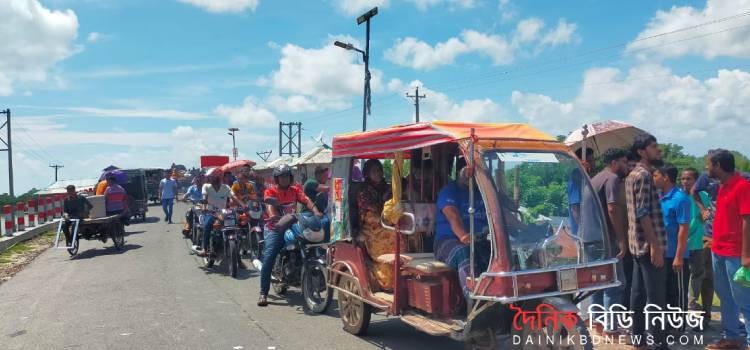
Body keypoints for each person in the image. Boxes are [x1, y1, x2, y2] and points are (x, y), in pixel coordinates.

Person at [704, 150, 750, 350]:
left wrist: (746, 254)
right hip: (719, 250)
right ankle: (731, 336)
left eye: (709, 164)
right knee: (725, 296)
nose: (707, 168)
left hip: (735, 253)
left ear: (718, 165)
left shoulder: (743, 186)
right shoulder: (721, 187)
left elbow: (747, 220)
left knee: (744, 299)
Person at [625, 133, 667, 349]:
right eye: (653, 146)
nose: (657, 149)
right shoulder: (643, 175)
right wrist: (655, 246)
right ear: (642, 151)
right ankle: (659, 343)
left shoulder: (633, 174)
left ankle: (638, 339)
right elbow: (643, 213)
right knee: (656, 298)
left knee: (638, 295)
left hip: (637, 245)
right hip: (647, 245)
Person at [258, 164, 321, 307]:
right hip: (275, 227)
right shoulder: (271, 191)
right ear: (277, 179)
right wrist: (273, 215)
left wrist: (316, 211)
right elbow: (269, 205)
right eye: (282, 177)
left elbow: (306, 200)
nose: (284, 179)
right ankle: (263, 292)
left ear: (290, 177)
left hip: (292, 224)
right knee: (269, 257)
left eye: (287, 176)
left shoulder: (295, 190)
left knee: (309, 244)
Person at [588, 148, 629, 335]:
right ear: (614, 163)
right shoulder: (611, 179)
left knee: (597, 282)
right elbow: (612, 209)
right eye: (624, 162)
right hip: (605, 239)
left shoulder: (594, 178)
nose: (626, 166)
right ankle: (611, 328)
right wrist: (622, 239)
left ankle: (597, 322)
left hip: (589, 238)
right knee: (614, 282)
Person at [434, 166, 490, 302]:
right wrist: (463, 235)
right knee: (464, 252)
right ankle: (473, 299)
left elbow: (501, 213)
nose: (470, 175)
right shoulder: (449, 191)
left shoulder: (482, 192)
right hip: (448, 240)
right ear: (461, 172)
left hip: (479, 239)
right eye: (467, 171)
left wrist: (526, 228)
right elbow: (453, 216)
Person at [356, 159, 407, 292]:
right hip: (373, 227)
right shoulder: (364, 191)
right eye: (374, 171)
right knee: (392, 236)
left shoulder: (388, 186)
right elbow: (368, 215)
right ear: (367, 174)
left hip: (389, 223)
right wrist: (386, 219)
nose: (378, 173)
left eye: (379, 170)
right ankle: (382, 276)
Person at [653, 166, 691, 332]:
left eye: (656, 175)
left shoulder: (680, 198)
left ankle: (678, 326)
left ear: (666, 177)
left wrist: (679, 256)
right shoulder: (659, 197)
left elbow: (684, 229)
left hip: (675, 254)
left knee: (677, 292)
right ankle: (666, 324)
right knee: (664, 292)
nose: (653, 178)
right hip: (661, 254)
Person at [681, 168, 711, 316]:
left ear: (696, 180)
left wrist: (701, 219)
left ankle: (692, 300)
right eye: (683, 179)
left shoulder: (703, 196)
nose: (685, 182)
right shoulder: (679, 196)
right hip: (681, 243)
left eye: (689, 179)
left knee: (698, 273)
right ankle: (682, 301)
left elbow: (705, 216)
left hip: (697, 243)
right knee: (682, 274)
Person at [194, 171, 243, 255]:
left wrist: (242, 205)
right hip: (210, 212)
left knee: (234, 227)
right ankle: (204, 249)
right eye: (214, 185)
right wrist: (204, 203)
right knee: (207, 226)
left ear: (220, 182)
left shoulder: (226, 187)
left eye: (218, 184)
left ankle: (237, 254)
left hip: (223, 213)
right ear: (211, 183)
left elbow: (234, 197)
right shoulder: (206, 186)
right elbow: (204, 196)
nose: (217, 187)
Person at [568, 147, 594, 235]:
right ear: (581, 161)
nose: (593, 163)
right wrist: (583, 230)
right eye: (590, 161)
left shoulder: (586, 176)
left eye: (593, 160)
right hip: (581, 232)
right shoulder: (577, 176)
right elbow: (575, 208)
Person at [304, 166, 330, 239]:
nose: (326, 177)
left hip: (319, 214)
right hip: (308, 214)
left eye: (327, 175)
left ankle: (326, 245)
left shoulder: (321, 185)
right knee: (326, 222)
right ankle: (324, 244)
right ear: (317, 175)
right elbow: (328, 188)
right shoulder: (310, 182)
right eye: (325, 175)